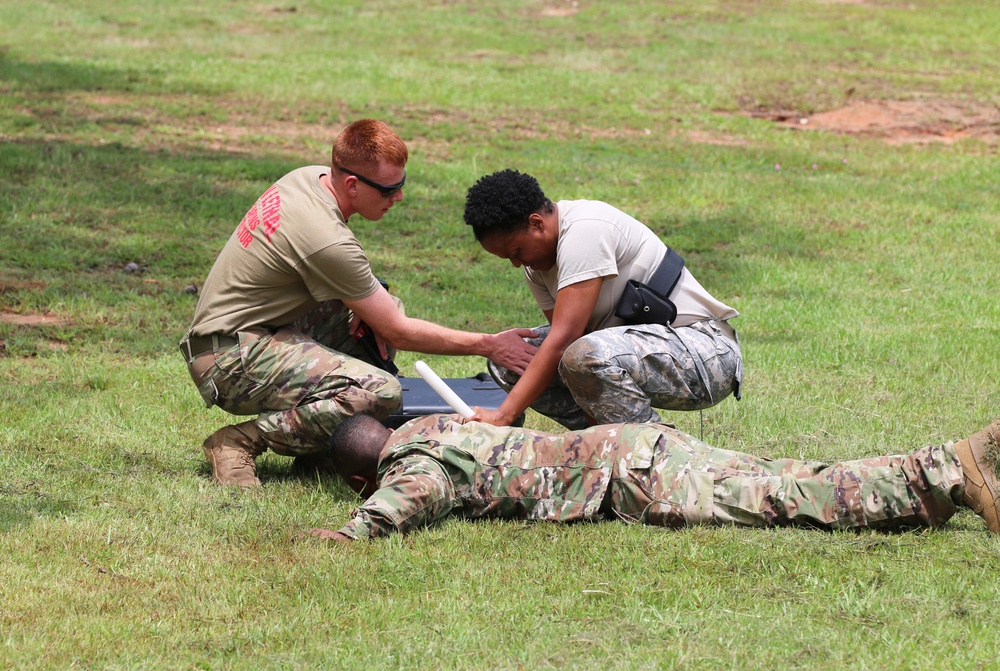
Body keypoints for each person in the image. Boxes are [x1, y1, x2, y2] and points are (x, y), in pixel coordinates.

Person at [179, 120, 536, 487]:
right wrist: (489, 345)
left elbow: (368, 303)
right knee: (379, 391)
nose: (398, 197)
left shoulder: (309, 178)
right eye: (389, 190)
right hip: (227, 360)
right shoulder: (327, 240)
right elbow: (396, 328)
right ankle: (240, 441)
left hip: (250, 330)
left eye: (402, 184)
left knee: (375, 322)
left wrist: (375, 315)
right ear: (352, 184)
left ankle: (315, 447)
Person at [307, 413, 1000, 542]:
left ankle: (946, 468)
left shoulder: (410, 462)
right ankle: (948, 479)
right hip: (634, 443)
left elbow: (412, 494)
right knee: (781, 477)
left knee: (781, 496)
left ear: (364, 474)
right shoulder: (436, 424)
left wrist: (351, 531)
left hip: (628, 475)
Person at [461, 169, 742, 429]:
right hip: (634, 353)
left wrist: (504, 414)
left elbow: (565, 340)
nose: (516, 263)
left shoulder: (585, 229)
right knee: (509, 358)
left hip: (706, 355)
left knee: (581, 353)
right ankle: (601, 442)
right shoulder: (535, 268)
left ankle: (658, 450)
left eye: (516, 252)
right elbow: (570, 349)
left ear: (536, 223)